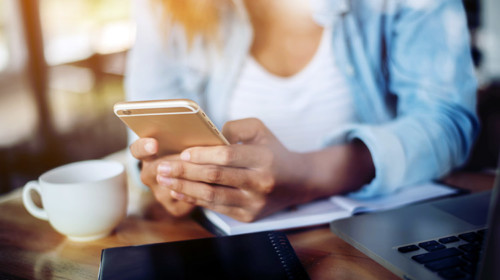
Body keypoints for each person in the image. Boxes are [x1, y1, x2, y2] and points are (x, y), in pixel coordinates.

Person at [125, 0, 479, 222]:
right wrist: (174, 178)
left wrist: (309, 175)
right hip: (231, 244)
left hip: (379, 236)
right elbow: (150, 131)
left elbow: (448, 122)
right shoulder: (166, 6)